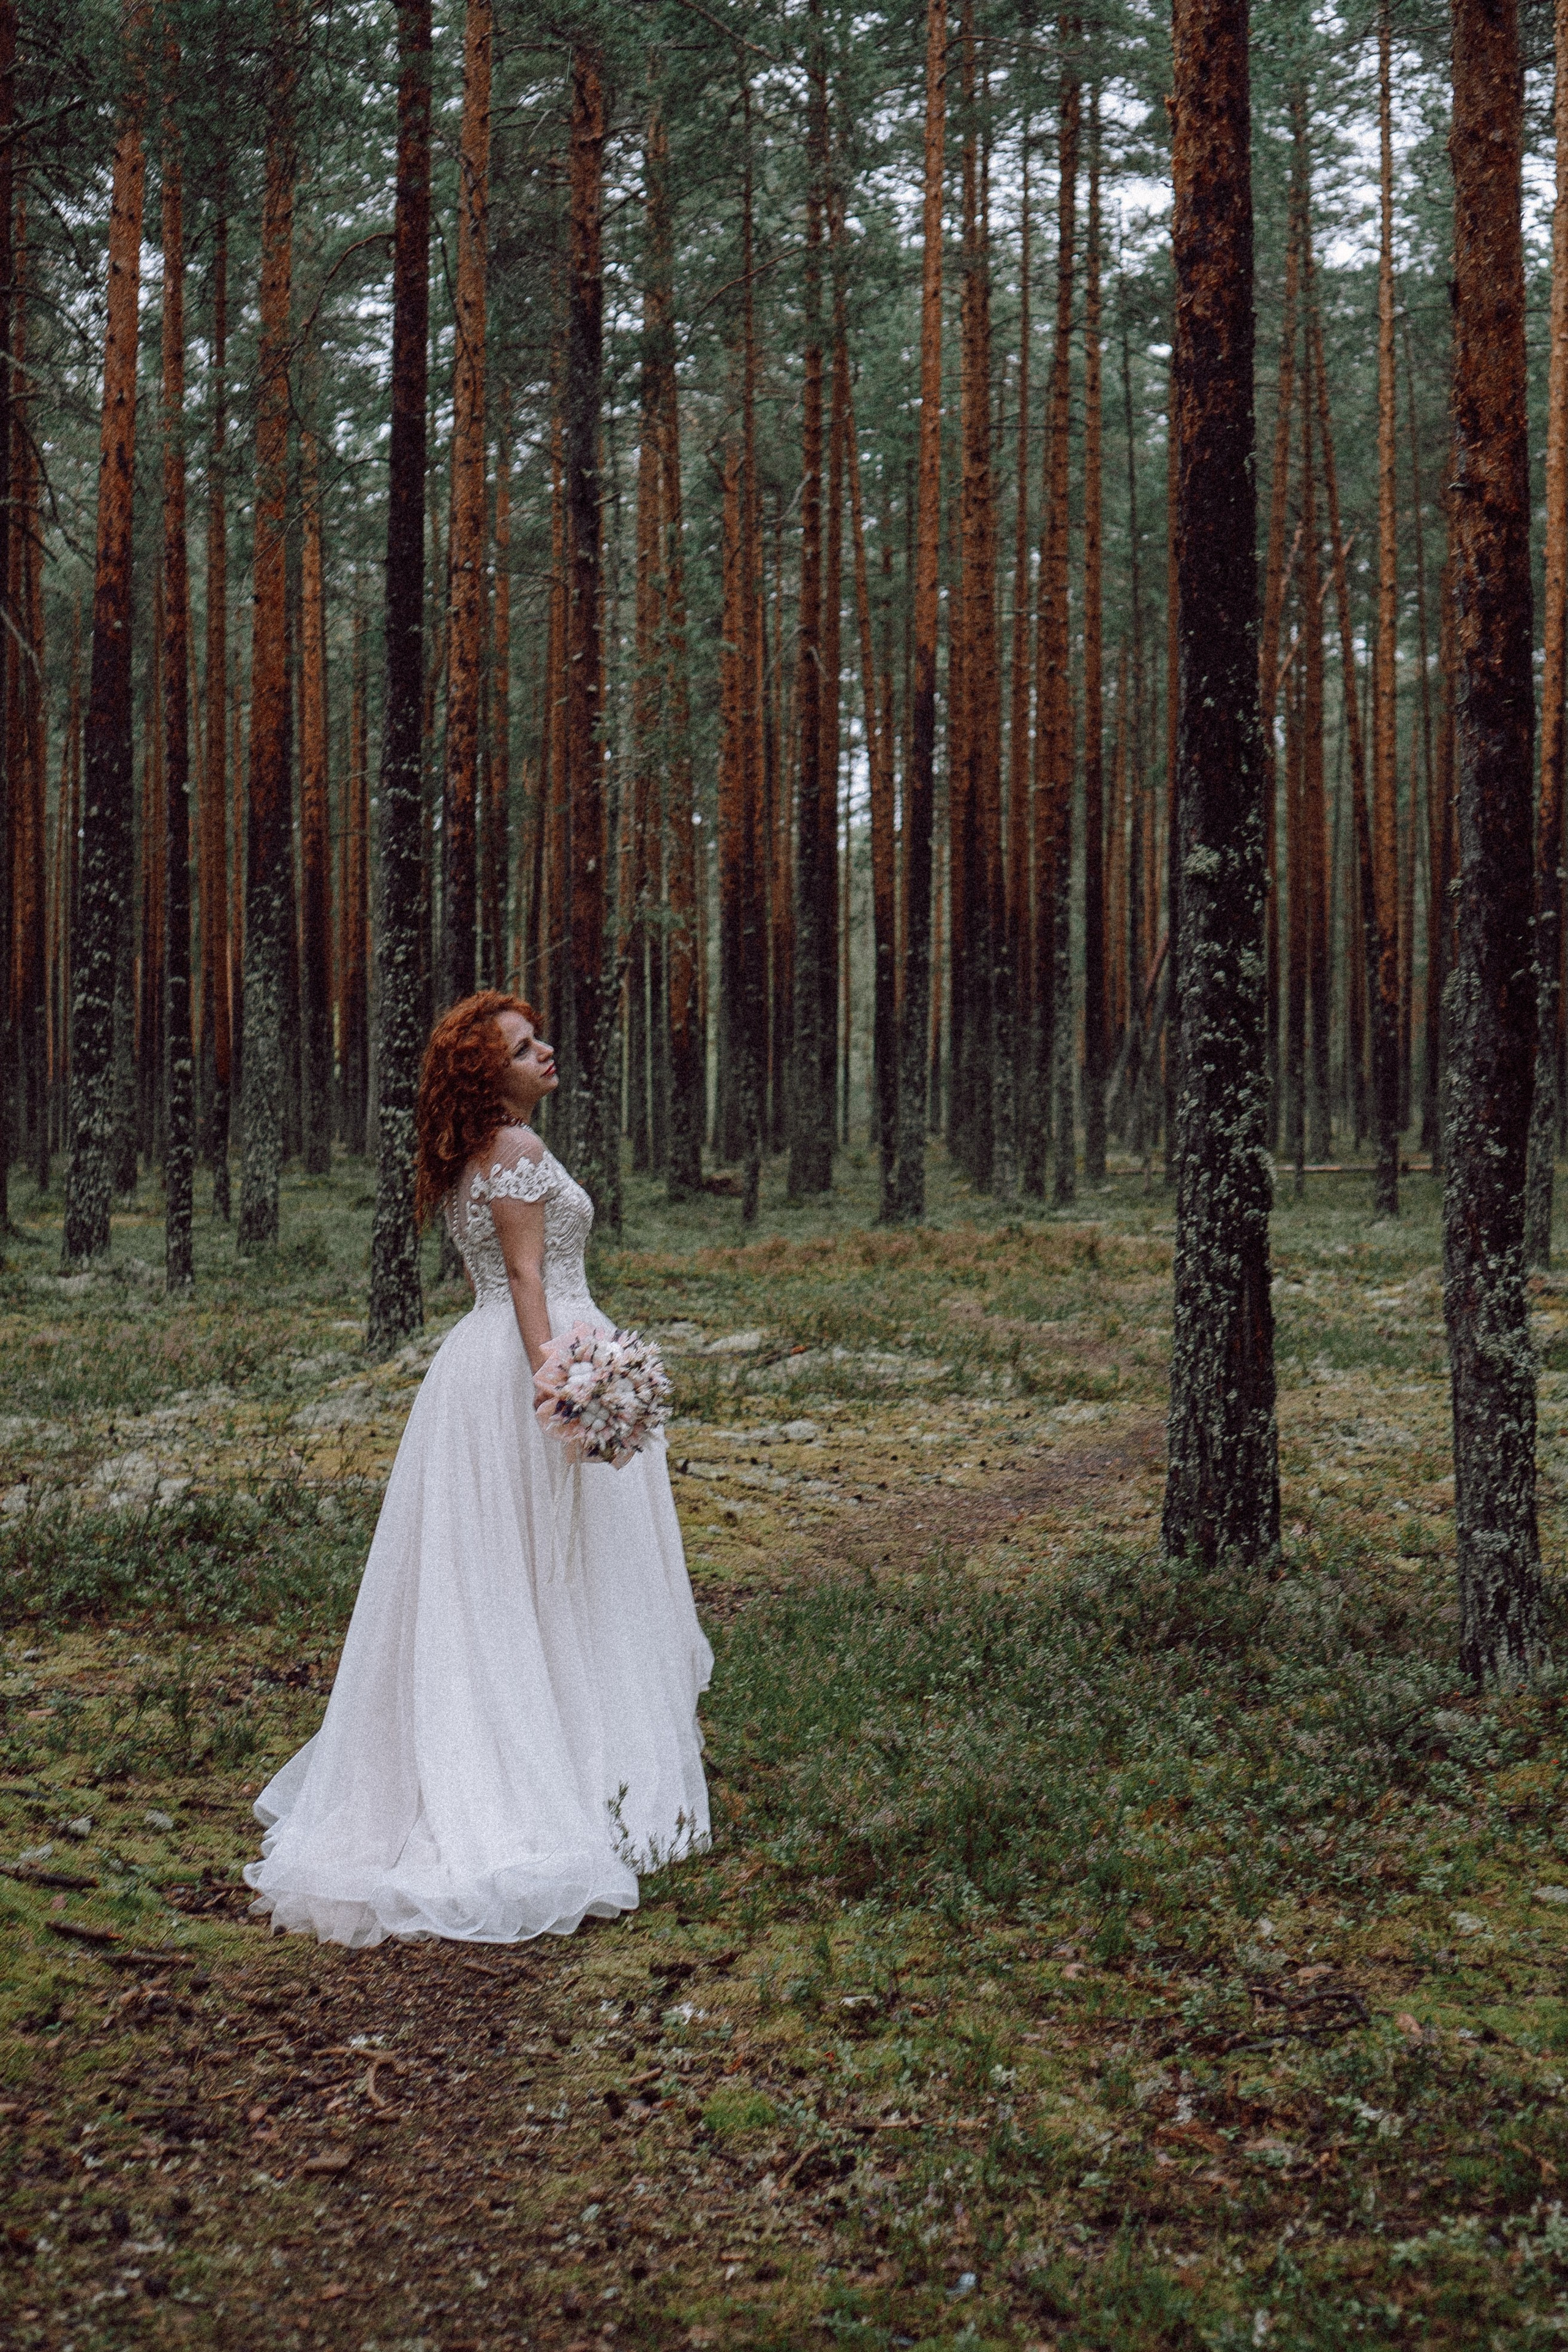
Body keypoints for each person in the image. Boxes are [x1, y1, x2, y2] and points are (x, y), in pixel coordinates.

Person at [244, 991, 712, 1947]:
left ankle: (567, 1756)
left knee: (519, 1579)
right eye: (524, 1047)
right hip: (524, 1363)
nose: (547, 1052)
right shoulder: (518, 1155)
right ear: (485, 1074)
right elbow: (531, 1279)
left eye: (541, 1038)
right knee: (544, 1576)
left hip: (489, 1365)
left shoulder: (480, 1154)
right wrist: (563, 1384)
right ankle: (560, 1779)